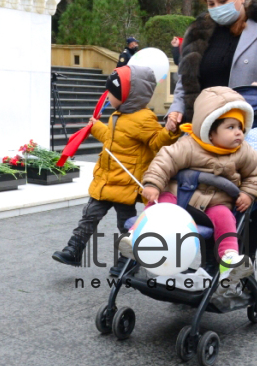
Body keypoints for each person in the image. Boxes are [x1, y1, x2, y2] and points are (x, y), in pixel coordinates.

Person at [52, 64, 180, 276]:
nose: (108, 96)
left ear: (129, 95)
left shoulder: (143, 119)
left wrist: (169, 131)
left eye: (112, 93)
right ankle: (74, 249)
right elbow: (112, 140)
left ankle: (129, 260)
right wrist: (96, 127)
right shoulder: (116, 116)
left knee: (125, 225)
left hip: (126, 184)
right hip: (106, 180)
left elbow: (157, 142)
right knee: (89, 216)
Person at [142, 87, 257, 294]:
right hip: (180, 198)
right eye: (230, 127)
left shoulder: (243, 151)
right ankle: (137, 236)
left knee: (225, 216)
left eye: (241, 127)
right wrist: (152, 183)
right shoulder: (189, 144)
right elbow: (165, 160)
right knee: (161, 203)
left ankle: (229, 258)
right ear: (210, 129)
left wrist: (248, 192)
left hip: (214, 203)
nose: (239, 132)